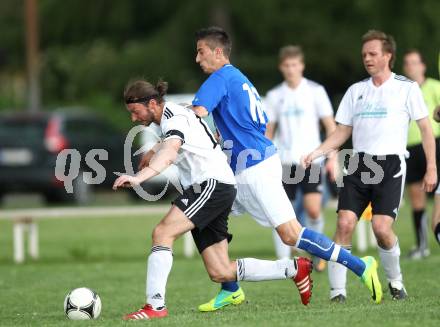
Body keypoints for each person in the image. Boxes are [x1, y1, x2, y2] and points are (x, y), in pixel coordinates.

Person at [191, 26, 383, 311]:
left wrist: (168, 117)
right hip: (245, 167)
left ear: (218, 52)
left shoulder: (219, 78)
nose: (197, 58)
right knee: (206, 214)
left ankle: (360, 265)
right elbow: (258, 123)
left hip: (254, 168)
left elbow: (197, 115)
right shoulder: (240, 79)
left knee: (291, 234)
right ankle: (229, 288)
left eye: (201, 51)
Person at [114, 79, 314, 320]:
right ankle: (293, 268)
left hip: (211, 185)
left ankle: (155, 306)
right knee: (220, 271)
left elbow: (170, 152)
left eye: (135, 112)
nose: (133, 119)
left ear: (153, 103)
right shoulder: (172, 114)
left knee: (162, 233)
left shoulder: (173, 118)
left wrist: (139, 178)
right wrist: (154, 149)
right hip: (217, 186)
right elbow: (176, 139)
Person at [302, 30, 437, 302]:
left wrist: (431, 166)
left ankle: (396, 283)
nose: (367, 58)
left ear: (388, 56)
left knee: (382, 229)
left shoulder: (406, 88)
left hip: (391, 166)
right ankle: (337, 292)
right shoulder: (356, 91)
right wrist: (318, 151)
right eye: (364, 54)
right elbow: (342, 132)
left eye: (373, 54)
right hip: (359, 164)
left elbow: (425, 128)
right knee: (344, 223)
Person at [265, 45, 337, 271]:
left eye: (294, 65)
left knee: (313, 210)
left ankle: (318, 253)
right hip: (285, 162)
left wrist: (332, 157)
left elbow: (330, 127)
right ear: (281, 67)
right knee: (280, 213)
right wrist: (264, 160)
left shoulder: (315, 91)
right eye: (286, 65)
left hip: (312, 161)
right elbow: (269, 131)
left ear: (302, 65)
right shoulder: (275, 95)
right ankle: (283, 263)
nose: (290, 69)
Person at [403, 49, 440, 259]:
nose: (411, 66)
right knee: (416, 197)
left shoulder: (435, 86)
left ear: (423, 65)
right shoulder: (402, 90)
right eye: (407, 63)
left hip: (435, 144)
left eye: (414, 62)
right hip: (410, 148)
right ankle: (422, 245)